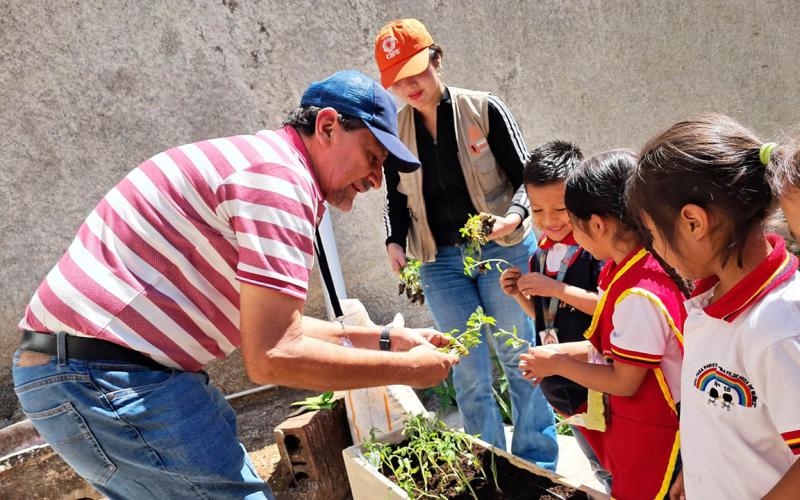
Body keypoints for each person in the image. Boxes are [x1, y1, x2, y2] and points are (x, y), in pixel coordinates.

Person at [11, 70, 459, 499]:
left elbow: (282, 327)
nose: (374, 180)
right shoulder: (277, 183)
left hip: (90, 371)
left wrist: (386, 339)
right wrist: (411, 370)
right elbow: (274, 357)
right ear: (327, 126)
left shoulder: (266, 165)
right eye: (372, 157)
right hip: (106, 376)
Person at [374, 18, 557, 468]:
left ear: (436, 58)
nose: (409, 85)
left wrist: (511, 218)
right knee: (467, 371)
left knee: (520, 356)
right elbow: (396, 199)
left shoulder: (483, 108)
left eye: (415, 70)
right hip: (439, 263)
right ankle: (493, 467)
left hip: (504, 251)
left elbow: (526, 179)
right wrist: (394, 243)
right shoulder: (396, 130)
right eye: (397, 79)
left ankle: (538, 468)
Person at [628, 114, 800, 500]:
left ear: (693, 223)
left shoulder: (778, 328)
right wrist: (698, 473)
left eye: (653, 235)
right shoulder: (712, 303)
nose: (654, 249)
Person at [520, 150, 687, 500]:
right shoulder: (637, 266)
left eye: (574, 224)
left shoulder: (637, 295)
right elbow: (617, 347)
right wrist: (562, 351)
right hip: (653, 425)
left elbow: (625, 381)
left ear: (597, 224)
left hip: (662, 434)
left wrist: (559, 364)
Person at [499, 140, 611, 491]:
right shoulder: (539, 257)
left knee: (613, 465)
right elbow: (544, 317)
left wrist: (557, 289)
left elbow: (607, 306)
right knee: (597, 464)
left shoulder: (596, 251)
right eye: (538, 211)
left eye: (560, 209)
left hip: (596, 383)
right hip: (561, 385)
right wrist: (520, 294)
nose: (549, 221)